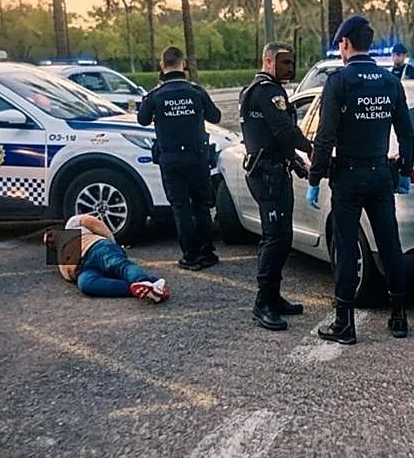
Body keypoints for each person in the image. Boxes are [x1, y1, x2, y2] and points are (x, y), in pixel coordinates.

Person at [307, 15, 414, 344]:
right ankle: (399, 317)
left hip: (349, 177)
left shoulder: (339, 82)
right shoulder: (389, 82)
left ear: (344, 44)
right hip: (381, 174)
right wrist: (406, 172)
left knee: (345, 247)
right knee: (390, 245)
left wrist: (315, 177)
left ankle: (345, 324)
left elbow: (325, 136)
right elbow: (407, 133)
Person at [239, 43, 313, 330]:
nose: (289, 67)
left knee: (282, 236)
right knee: (275, 238)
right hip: (267, 174)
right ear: (268, 61)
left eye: (291, 62)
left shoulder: (258, 90)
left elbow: (270, 137)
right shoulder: (267, 91)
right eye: (283, 62)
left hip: (271, 169)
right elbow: (284, 131)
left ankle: (274, 296)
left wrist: (295, 161)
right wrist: (309, 149)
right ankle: (263, 303)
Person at [137, 46, 222, 270]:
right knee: (202, 206)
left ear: (162, 66)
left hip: (171, 159)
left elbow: (142, 120)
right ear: (183, 64)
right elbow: (216, 116)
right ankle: (206, 253)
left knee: (181, 208)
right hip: (197, 158)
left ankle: (190, 256)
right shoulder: (196, 91)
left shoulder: (155, 95)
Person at [45, 214, 168, 302]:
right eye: (47, 242)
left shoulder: (72, 226)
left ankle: (142, 280)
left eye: (49, 235)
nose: (49, 239)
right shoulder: (59, 256)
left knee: (118, 265)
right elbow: (69, 277)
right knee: (86, 284)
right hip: (84, 268)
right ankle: (145, 288)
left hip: (96, 248)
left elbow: (95, 223)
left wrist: (111, 242)